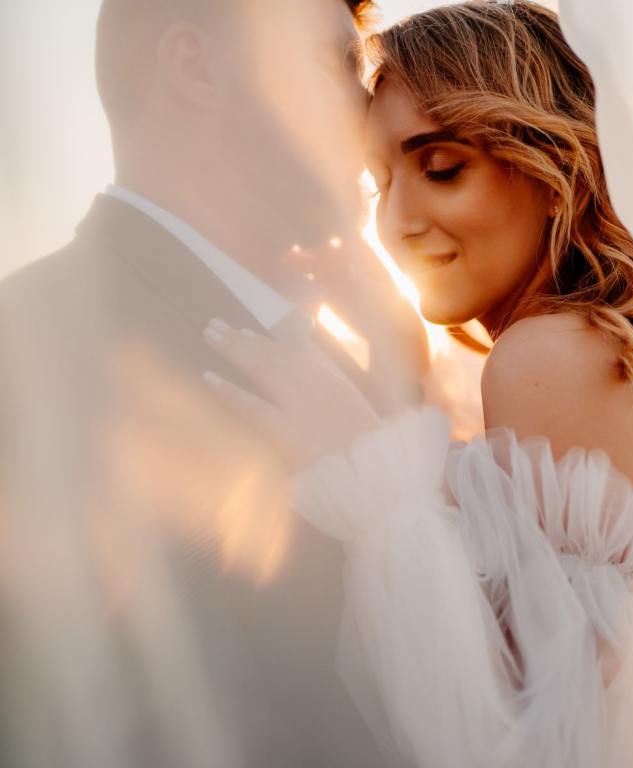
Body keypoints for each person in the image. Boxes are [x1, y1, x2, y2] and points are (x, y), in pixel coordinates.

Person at [205, 2, 633, 766]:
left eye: (440, 169)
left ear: (551, 163)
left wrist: (371, 480)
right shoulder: (613, 344)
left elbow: (559, 738)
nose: (395, 222)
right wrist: (403, 369)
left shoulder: (547, 358)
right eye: (380, 183)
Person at [0, 1, 423, 765]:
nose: (373, 104)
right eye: (339, 65)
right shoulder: (21, 351)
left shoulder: (353, 357)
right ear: (196, 67)